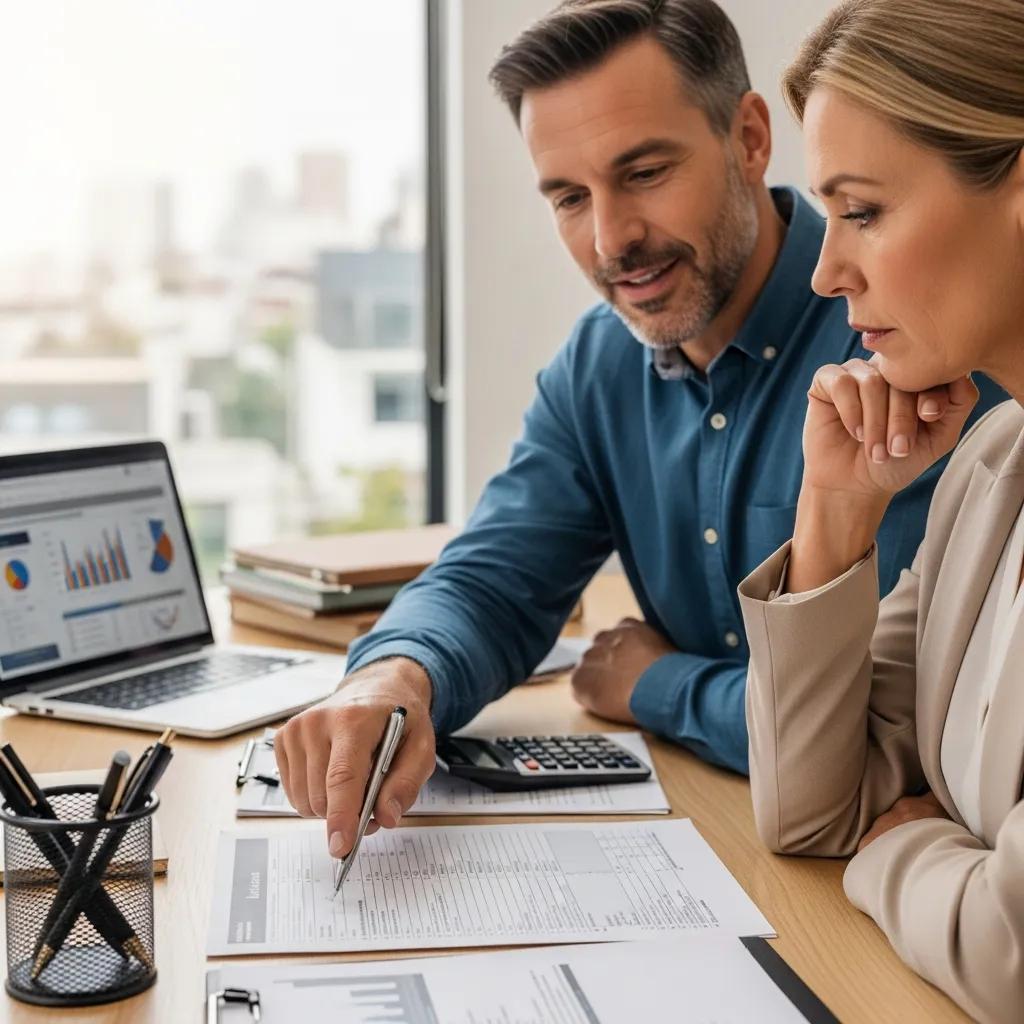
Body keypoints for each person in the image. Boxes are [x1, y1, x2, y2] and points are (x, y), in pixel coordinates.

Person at [274, 0, 1002, 864]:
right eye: (570, 197)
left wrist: (657, 684)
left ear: (750, 139)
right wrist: (395, 674)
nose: (611, 237)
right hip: (733, 834)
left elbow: (900, 726)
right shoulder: (599, 367)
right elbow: (496, 578)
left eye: (646, 173)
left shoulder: (919, 340)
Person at [736, 1, 1024, 1020]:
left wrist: (902, 843)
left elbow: (1007, 953)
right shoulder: (993, 461)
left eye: (860, 212)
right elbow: (815, 812)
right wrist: (837, 511)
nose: (825, 271)